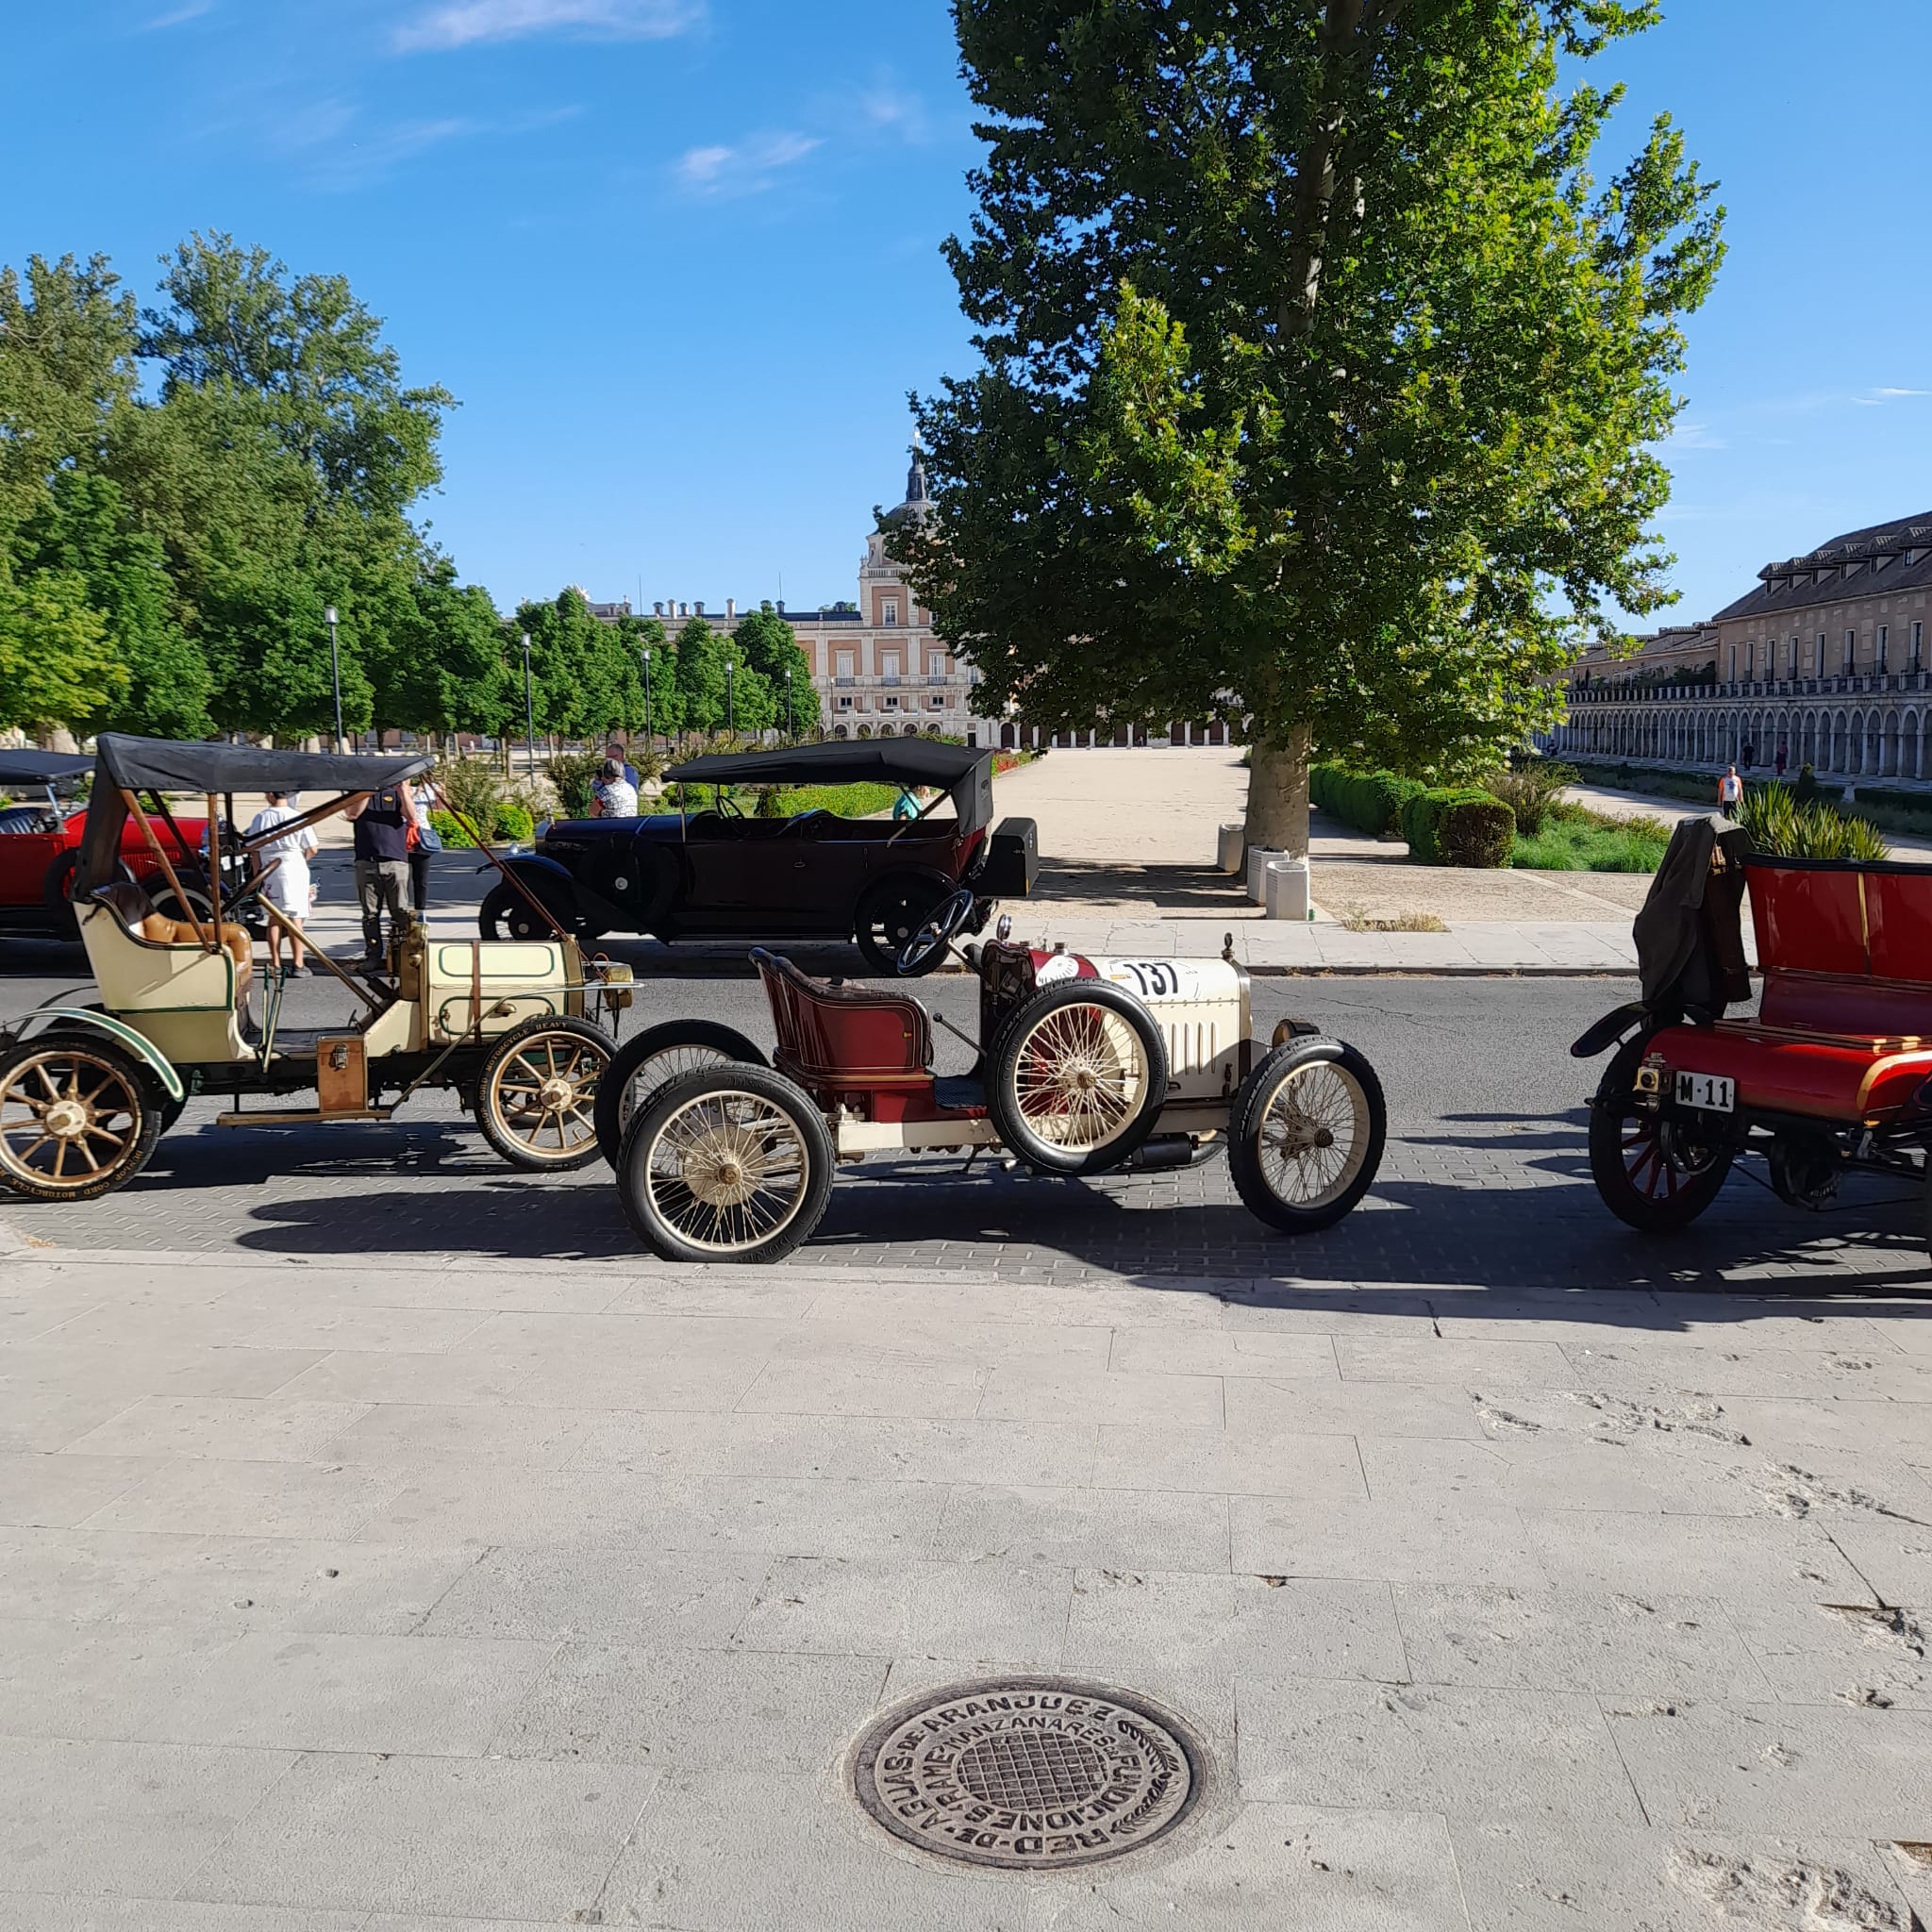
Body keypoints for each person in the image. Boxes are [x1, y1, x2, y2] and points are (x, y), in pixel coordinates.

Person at [342, 778, 421, 964]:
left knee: (400, 911)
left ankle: (406, 954)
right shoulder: (358, 792)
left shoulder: (395, 792)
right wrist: (366, 792)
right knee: (370, 914)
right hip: (366, 861)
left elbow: (411, 817)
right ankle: (373, 955)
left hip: (395, 860)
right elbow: (352, 814)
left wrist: (403, 791)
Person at [244, 790, 320, 975]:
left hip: (271, 867)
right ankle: (298, 962)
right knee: (296, 917)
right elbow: (313, 848)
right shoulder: (297, 817)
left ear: (271, 795)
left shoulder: (261, 818)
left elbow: (253, 848)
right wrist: (301, 859)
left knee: (274, 918)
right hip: (294, 865)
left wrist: (257, 873)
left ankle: (276, 963)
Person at [407, 773, 442, 915]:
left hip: (422, 835)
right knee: (401, 877)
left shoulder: (428, 791)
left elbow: (439, 807)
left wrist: (441, 794)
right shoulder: (402, 790)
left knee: (421, 877)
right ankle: (400, 909)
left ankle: (420, 910)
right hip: (403, 834)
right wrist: (413, 794)